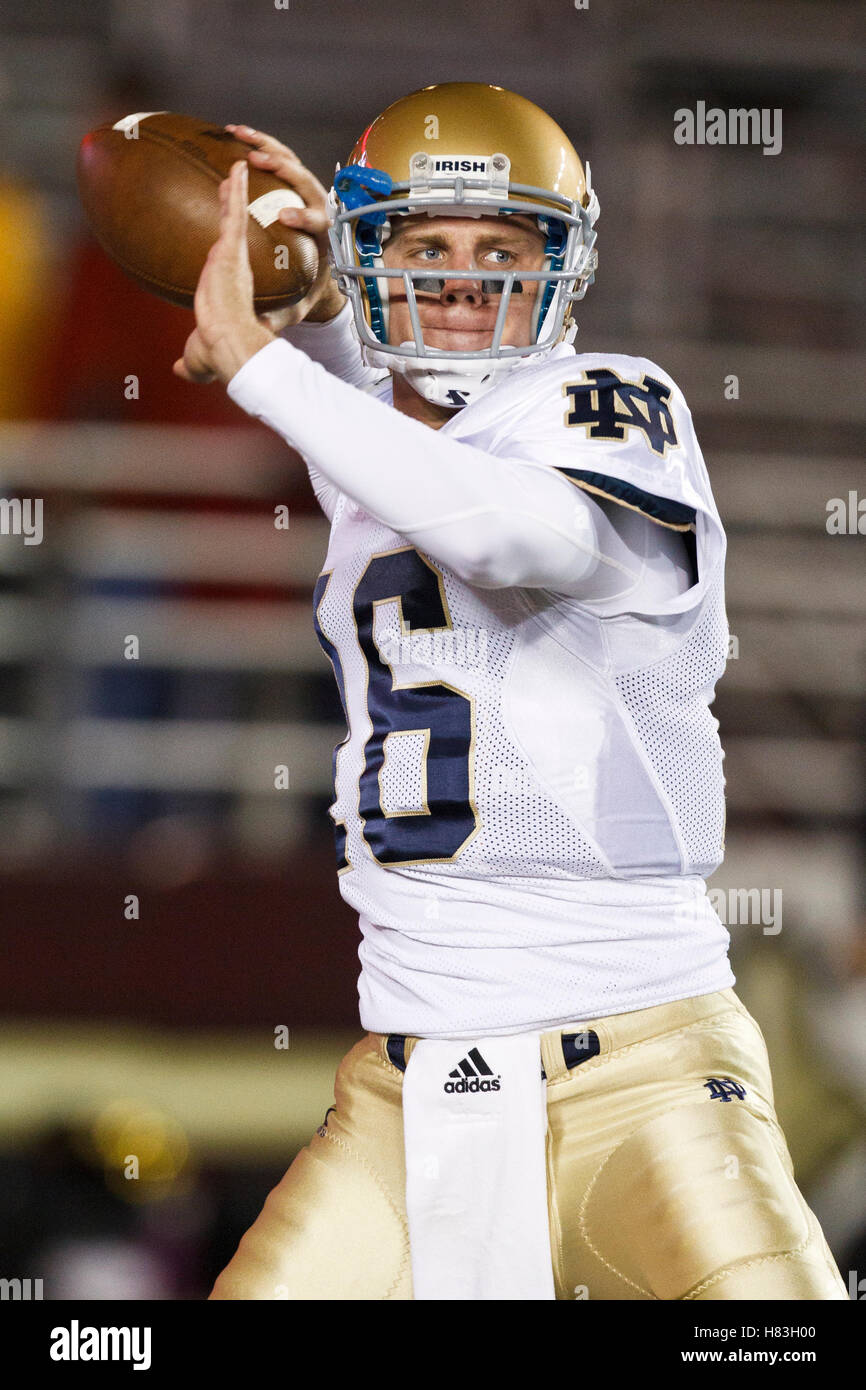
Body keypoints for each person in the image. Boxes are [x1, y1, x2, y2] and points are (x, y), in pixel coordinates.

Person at [175, 83, 849, 1300]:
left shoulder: (610, 402)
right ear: (369, 254)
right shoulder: (392, 449)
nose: (461, 278)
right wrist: (318, 307)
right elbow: (407, 466)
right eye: (424, 246)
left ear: (563, 268)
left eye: (501, 249)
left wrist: (269, 368)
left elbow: (510, 531)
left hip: (638, 1067)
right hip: (403, 1081)